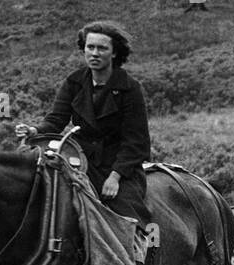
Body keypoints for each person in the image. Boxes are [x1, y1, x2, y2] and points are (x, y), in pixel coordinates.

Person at [15, 20, 152, 229]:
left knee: (125, 220)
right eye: (90, 47)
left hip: (118, 166)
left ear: (114, 53)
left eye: (102, 48)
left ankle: (138, 257)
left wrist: (115, 178)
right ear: (84, 49)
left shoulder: (130, 89)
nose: (94, 53)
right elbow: (55, 120)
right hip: (80, 160)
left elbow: (136, 141)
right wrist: (35, 130)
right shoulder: (74, 82)